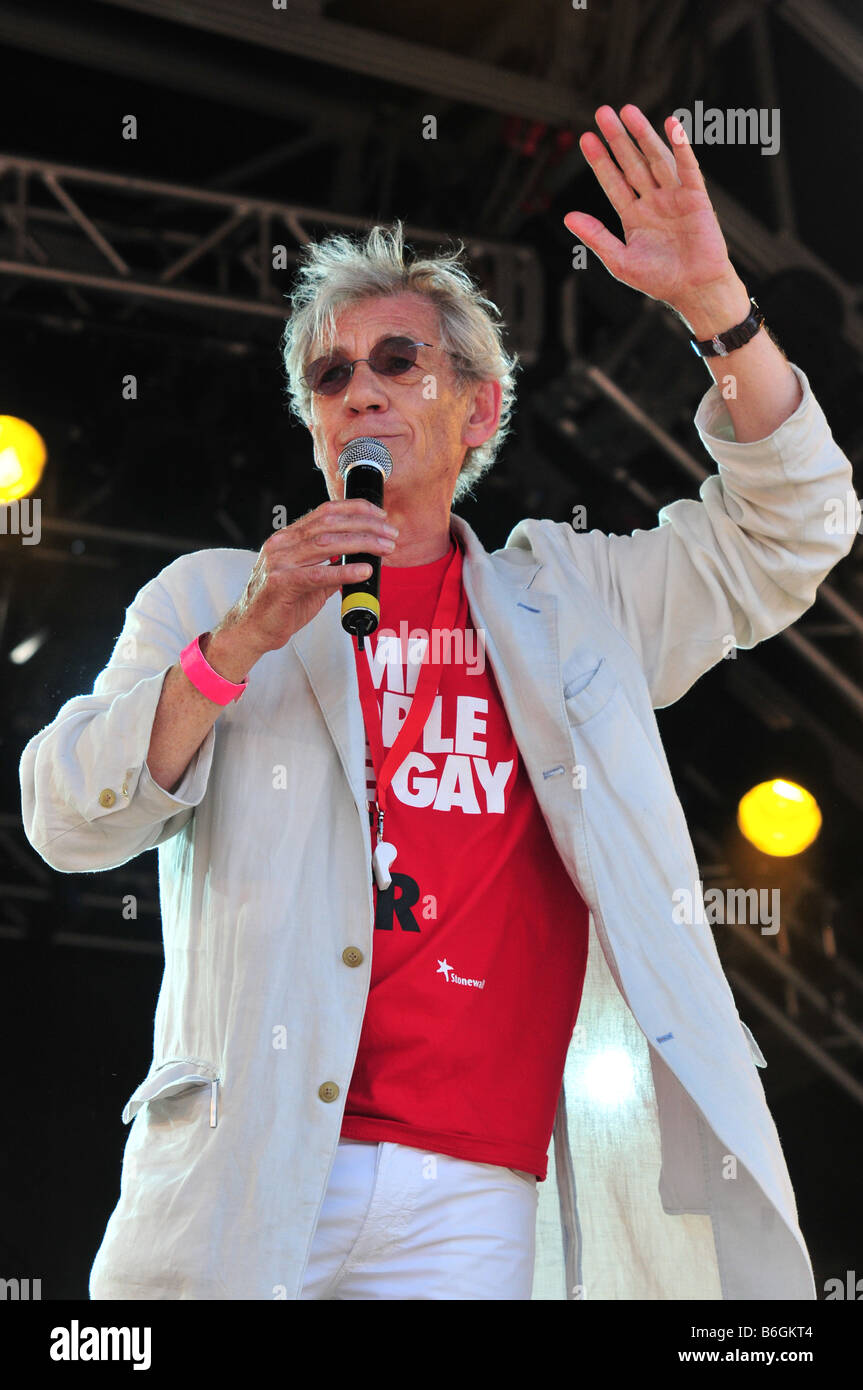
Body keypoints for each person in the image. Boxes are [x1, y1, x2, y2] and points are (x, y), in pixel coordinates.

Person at [19, 105, 857, 1301]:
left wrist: (719, 308)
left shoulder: (573, 603)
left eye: (396, 361)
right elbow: (63, 818)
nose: (358, 389)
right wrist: (236, 645)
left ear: (478, 408)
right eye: (330, 373)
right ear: (311, 421)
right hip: (246, 1174)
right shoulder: (209, 597)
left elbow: (796, 529)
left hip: (472, 1194)